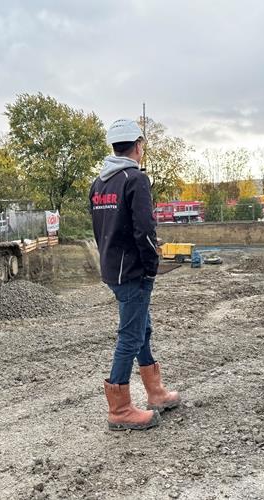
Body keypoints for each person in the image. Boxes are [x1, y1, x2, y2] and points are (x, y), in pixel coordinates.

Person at [89, 118, 181, 431]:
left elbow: (99, 229)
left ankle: (155, 392)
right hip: (133, 271)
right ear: (138, 146)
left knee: (142, 328)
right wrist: (151, 264)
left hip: (112, 268)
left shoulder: (99, 183)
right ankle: (120, 410)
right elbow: (145, 229)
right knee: (130, 336)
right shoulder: (135, 180)